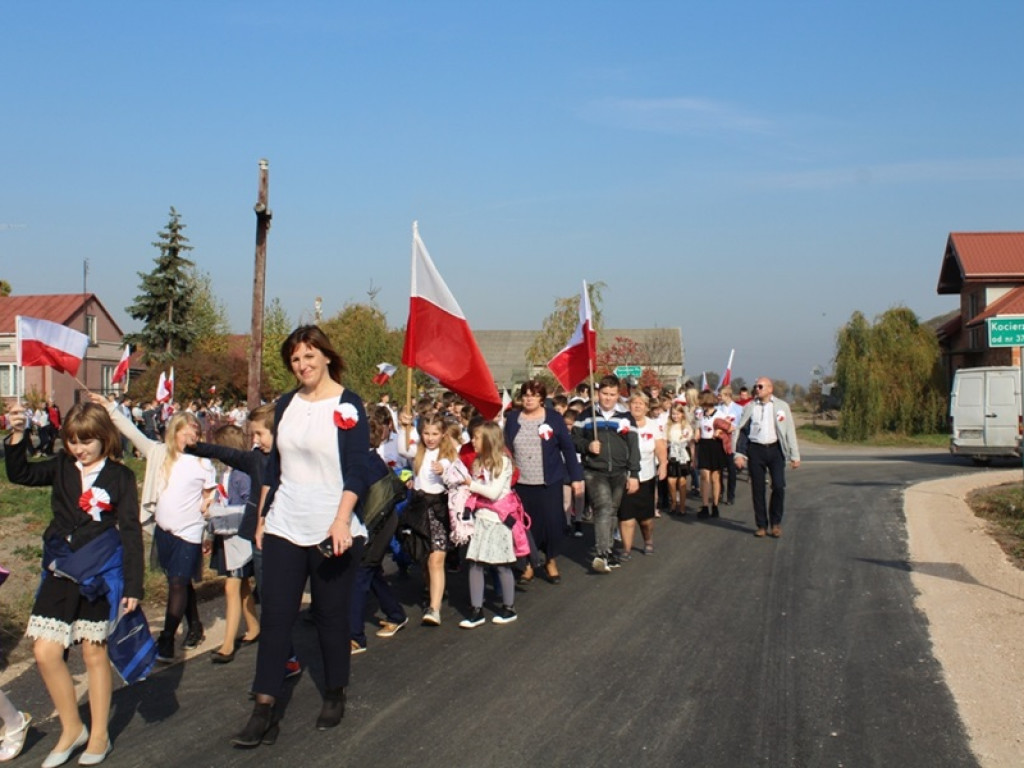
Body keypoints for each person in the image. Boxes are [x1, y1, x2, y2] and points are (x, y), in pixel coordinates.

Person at [233, 325, 370, 748]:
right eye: (295, 359)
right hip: (284, 524)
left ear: (327, 356)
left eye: (309, 355)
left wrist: (342, 520)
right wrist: (262, 517)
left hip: (332, 526)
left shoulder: (348, 404)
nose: (302, 365)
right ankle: (264, 708)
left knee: (330, 616)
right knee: (276, 616)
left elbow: (357, 470)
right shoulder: (286, 404)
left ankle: (334, 691)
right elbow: (274, 468)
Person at [4, 402, 143, 767]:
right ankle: (72, 728)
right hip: (60, 567)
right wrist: (17, 434)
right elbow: (20, 474)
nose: (79, 449)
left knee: (94, 653)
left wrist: (134, 586)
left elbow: (131, 531)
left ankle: (99, 735)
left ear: (104, 438)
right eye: (72, 441)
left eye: (86, 441)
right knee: (45, 651)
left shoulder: (121, 477)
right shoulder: (62, 466)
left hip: (98, 572)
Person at [97, 397, 216, 663]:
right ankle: (195, 625)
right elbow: (131, 431)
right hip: (165, 531)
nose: (192, 436)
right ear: (174, 432)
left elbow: (211, 497)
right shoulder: (159, 453)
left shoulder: (203, 462)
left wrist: (208, 529)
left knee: (177, 582)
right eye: (187, 431)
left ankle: (167, 639)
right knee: (179, 581)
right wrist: (110, 408)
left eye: (196, 432)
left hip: (189, 532)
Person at [504, 380, 583, 584]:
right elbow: (505, 449)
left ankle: (550, 560)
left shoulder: (554, 418)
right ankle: (528, 565)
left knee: (552, 524)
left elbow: (567, 448)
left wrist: (576, 477)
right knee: (525, 526)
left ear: (541, 398)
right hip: (521, 483)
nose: (529, 399)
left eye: (534, 395)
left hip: (549, 482)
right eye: (526, 395)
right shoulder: (512, 419)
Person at [457, 421, 528, 627]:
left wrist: (471, 485)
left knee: (501, 565)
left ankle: (509, 607)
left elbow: (494, 493)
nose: (473, 441)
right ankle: (476, 609)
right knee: (475, 563)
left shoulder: (503, 463)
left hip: (498, 520)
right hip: (481, 518)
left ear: (489, 440)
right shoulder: (478, 462)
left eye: (477, 437)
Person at [571, 375, 640, 574]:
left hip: (619, 471)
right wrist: (588, 446)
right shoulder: (586, 416)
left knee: (612, 511)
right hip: (595, 471)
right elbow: (574, 440)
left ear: (618, 395)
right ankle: (601, 553)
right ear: (598, 393)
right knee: (603, 508)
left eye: (612, 394)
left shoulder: (626, 417)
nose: (608, 398)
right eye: (604, 393)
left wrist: (634, 474)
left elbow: (633, 447)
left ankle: (608, 551)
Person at [205, 424, 259, 663]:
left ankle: (227, 644)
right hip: (226, 533)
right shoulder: (226, 472)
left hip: (239, 536)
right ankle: (253, 625)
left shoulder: (240, 474)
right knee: (242, 584)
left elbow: (249, 503)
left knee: (232, 586)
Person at [402, 413, 456, 625]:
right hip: (418, 508)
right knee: (424, 558)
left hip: (438, 509)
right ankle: (432, 588)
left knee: (436, 559)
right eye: (426, 433)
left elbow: (456, 475)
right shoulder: (418, 452)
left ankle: (434, 609)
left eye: (435, 434)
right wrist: (404, 427)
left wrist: (444, 471)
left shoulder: (449, 455)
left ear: (443, 434)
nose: (430, 438)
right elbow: (402, 449)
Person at [734, 378, 801, 538]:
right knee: (758, 489)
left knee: (778, 486)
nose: (757, 389)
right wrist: (739, 454)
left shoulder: (781, 406)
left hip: (775, 449)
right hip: (756, 449)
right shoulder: (750, 407)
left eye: (760, 386)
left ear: (770, 389)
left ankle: (775, 523)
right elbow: (742, 431)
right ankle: (762, 525)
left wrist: (795, 455)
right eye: (756, 386)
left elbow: (789, 430)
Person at [617, 392, 667, 556]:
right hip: (624, 475)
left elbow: (660, 447)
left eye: (641, 403)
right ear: (629, 405)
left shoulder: (653, 425)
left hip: (646, 475)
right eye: (634, 403)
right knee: (626, 516)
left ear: (646, 407)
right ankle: (626, 549)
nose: (637, 406)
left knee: (645, 519)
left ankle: (648, 540)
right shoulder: (621, 422)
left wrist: (663, 464)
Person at [694, 390, 731, 519]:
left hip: (715, 445)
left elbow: (729, 427)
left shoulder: (719, 414)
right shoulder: (701, 414)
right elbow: (699, 428)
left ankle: (715, 505)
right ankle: (705, 506)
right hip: (704, 445)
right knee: (704, 476)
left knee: (715, 477)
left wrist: (720, 431)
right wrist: (697, 434)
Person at [664, 402, 694, 516]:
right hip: (671, 454)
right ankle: (673, 502)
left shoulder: (686, 426)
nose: (675, 416)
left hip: (683, 454)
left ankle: (682, 506)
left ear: (682, 414)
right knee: (671, 480)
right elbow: (664, 441)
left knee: (682, 481)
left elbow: (690, 442)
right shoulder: (668, 426)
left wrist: (693, 457)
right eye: (673, 414)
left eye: (677, 414)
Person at [718, 386, 743, 505]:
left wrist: (734, 427)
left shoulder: (739, 409)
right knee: (719, 469)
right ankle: (720, 491)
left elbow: (741, 425)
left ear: (727, 395)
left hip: (732, 441)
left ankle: (730, 495)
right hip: (720, 441)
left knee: (731, 470)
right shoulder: (718, 408)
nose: (719, 397)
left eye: (721, 395)